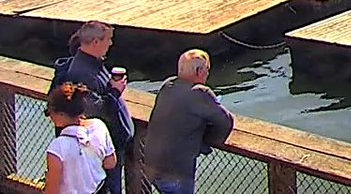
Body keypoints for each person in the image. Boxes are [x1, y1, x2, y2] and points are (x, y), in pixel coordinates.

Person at [56, 22, 133, 194]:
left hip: (109, 146)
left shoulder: (94, 63)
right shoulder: (81, 72)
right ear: (96, 42)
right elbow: (95, 111)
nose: (111, 43)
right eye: (108, 39)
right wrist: (115, 91)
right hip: (98, 151)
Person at [143, 49, 234, 194]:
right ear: (199, 71)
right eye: (207, 69)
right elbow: (226, 121)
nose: (207, 74)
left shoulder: (168, 85)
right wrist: (206, 141)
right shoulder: (199, 93)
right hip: (176, 172)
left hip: (152, 166)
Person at [44, 82, 117, 194]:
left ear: (61, 114)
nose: (50, 117)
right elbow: (110, 162)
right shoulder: (99, 125)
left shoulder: (57, 147)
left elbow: (52, 191)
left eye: (50, 112)